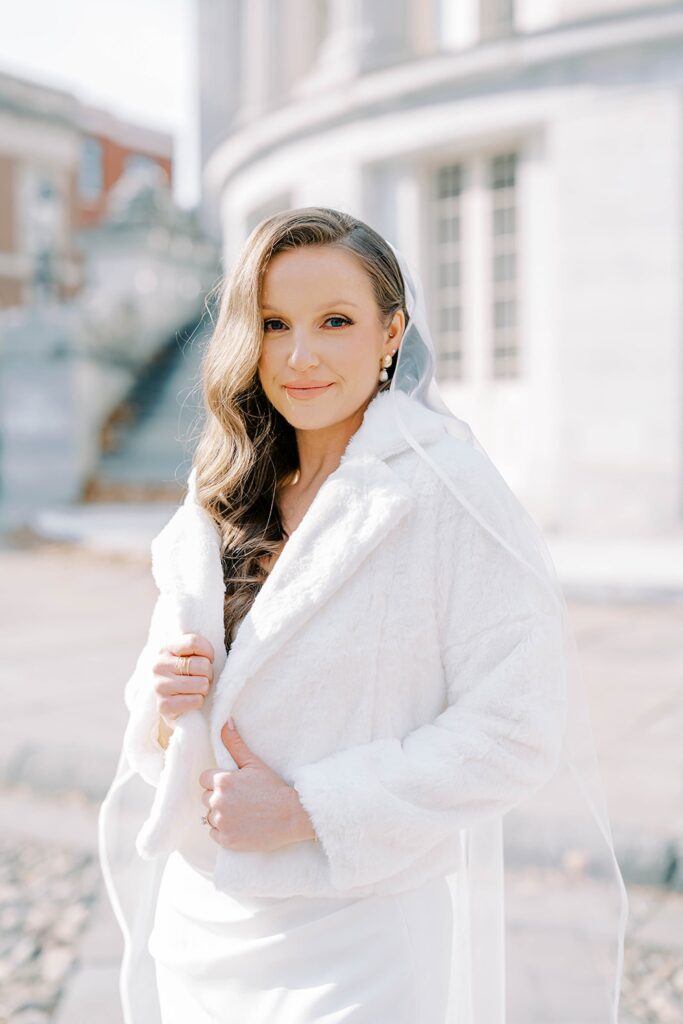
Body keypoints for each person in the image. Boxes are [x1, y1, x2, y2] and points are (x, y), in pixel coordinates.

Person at [98, 206, 628, 1024]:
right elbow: (174, 713)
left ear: (391, 333)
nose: (299, 356)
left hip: (357, 936)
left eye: (335, 322)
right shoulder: (222, 494)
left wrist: (310, 809)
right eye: (273, 323)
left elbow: (515, 730)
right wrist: (168, 707)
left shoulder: (447, 491)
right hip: (202, 925)